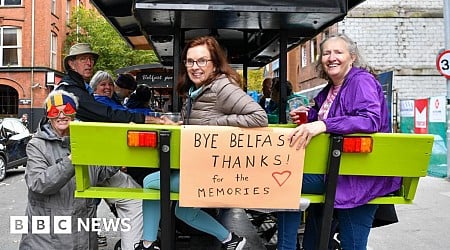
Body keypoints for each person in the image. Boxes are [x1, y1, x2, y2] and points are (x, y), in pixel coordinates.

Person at [134, 36, 268, 250]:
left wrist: (215, 123)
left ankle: (148, 243)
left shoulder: (222, 87)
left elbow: (259, 117)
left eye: (202, 61)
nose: (195, 67)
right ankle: (232, 241)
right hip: (201, 166)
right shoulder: (199, 90)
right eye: (190, 61)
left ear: (214, 63)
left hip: (213, 171)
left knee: (151, 183)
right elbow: (200, 126)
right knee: (184, 211)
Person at [277, 33, 401, 250]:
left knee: (287, 182)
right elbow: (330, 116)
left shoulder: (361, 81)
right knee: (286, 184)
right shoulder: (331, 89)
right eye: (326, 53)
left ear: (352, 57)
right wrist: (310, 116)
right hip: (336, 170)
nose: (331, 57)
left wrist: (323, 125)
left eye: (338, 52)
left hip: (358, 175)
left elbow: (369, 119)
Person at [19, 90, 118, 250]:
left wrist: (120, 154)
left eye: (67, 110)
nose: (61, 115)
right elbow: (38, 183)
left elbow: (99, 172)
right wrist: (72, 160)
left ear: (74, 114)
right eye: (54, 111)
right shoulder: (37, 145)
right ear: (48, 116)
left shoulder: (85, 139)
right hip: (46, 241)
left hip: (84, 236)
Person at [56, 43, 156, 124]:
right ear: (71, 64)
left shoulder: (77, 86)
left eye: (91, 59)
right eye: (83, 59)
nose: (89, 63)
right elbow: (107, 114)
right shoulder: (71, 89)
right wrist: (151, 119)